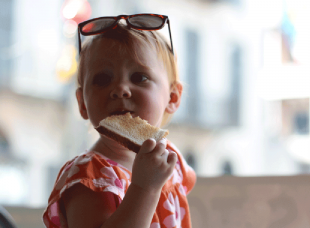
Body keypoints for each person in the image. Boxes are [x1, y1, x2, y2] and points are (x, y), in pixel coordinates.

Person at [42, 14, 197, 228]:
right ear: (83, 103)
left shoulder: (170, 158)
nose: (120, 90)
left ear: (172, 97)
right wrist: (145, 188)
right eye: (103, 79)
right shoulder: (89, 177)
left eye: (139, 77)